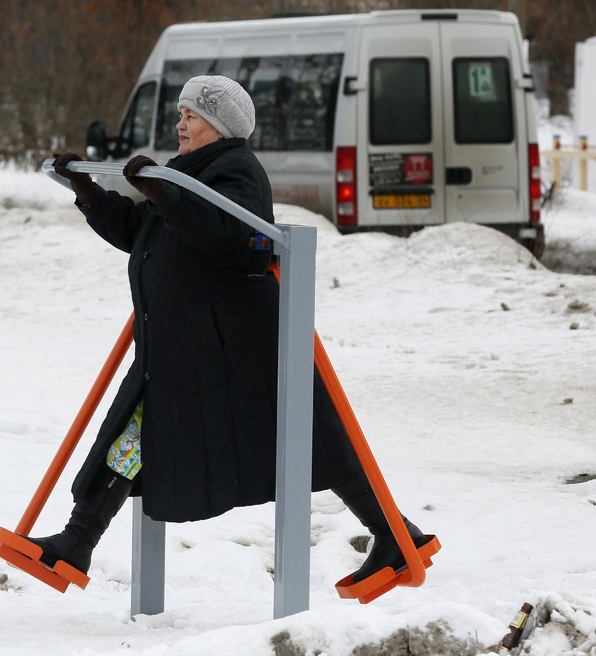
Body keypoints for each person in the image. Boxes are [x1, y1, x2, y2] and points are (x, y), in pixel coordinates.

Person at [25, 75, 429, 583]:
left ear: (218, 124)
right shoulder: (185, 171)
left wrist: (163, 192)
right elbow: (140, 232)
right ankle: (76, 542)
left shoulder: (236, 170)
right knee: (133, 435)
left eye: (191, 116)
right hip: (182, 346)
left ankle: (396, 535)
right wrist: (88, 191)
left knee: (316, 440)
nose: (180, 125)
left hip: (234, 347)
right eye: (181, 114)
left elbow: (226, 232)